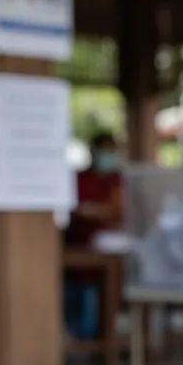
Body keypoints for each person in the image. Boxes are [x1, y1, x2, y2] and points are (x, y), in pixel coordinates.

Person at [65, 133, 123, 340]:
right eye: (104, 150)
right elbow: (74, 210)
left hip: (111, 256)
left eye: (112, 151)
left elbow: (121, 211)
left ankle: (104, 340)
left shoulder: (118, 180)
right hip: (79, 251)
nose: (108, 155)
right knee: (82, 304)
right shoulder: (79, 179)